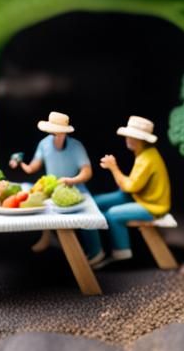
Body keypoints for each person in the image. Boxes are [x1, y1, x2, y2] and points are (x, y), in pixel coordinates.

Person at [10, 111, 104, 265]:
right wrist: (20, 163)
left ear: (64, 133)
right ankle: (48, 238)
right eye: (52, 133)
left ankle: (95, 251)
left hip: (76, 188)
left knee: (87, 214)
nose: (54, 136)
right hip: (52, 187)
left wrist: (72, 180)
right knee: (39, 206)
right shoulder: (44, 144)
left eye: (58, 133)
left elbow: (87, 172)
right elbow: (33, 167)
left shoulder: (76, 147)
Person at [96, 115, 172, 261]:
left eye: (132, 137)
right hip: (141, 196)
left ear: (142, 139)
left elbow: (129, 187)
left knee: (112, 214)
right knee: (99, 203)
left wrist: (114, 168)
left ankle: (122, 252)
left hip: (153, 206)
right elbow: (131, 184)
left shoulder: (147, 159)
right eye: (127, 136)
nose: (128, 140)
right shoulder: (144, 153)